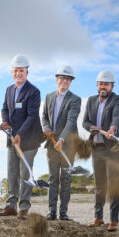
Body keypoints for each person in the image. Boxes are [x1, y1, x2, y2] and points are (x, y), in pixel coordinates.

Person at [0, 54, 43, 220]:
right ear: (12, 72)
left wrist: (19, 134)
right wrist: (5, 122)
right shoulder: (9, 90)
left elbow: (32, 116)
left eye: (21, 71)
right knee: (12, 173)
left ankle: (23, 208)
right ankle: (11, 206)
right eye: (16, 71)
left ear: (27, 72)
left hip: (29, 140)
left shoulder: (33, 92)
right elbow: (4, 109)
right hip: (12, 140)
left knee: (25, 175)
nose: (18, 74)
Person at [82, 70, 119, 231]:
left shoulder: (117, 100)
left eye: (106, 84)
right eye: (101, 84)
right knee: (100, 184)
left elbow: (118, 116)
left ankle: (114, 220)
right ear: (97, 85)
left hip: (115, 147)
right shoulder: (91, 101)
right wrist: (91, 128)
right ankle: (98, 218)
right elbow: (85, 122)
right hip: (98, 147)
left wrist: (113, 128)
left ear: (112, 86)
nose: (103, 87)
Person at [41, 65, 81, 221]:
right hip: (51, 144)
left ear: (70, 82)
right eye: (62, 78)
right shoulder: (49, 97)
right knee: (52, 179)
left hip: (68, 146)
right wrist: (46, 129)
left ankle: (63, 212)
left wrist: (62, 139)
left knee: (65, 179)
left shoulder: (75, 99)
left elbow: (71, 122)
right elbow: (44, 117)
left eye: (68, 79)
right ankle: (52, 212)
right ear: (57, 79)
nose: (65, 81)